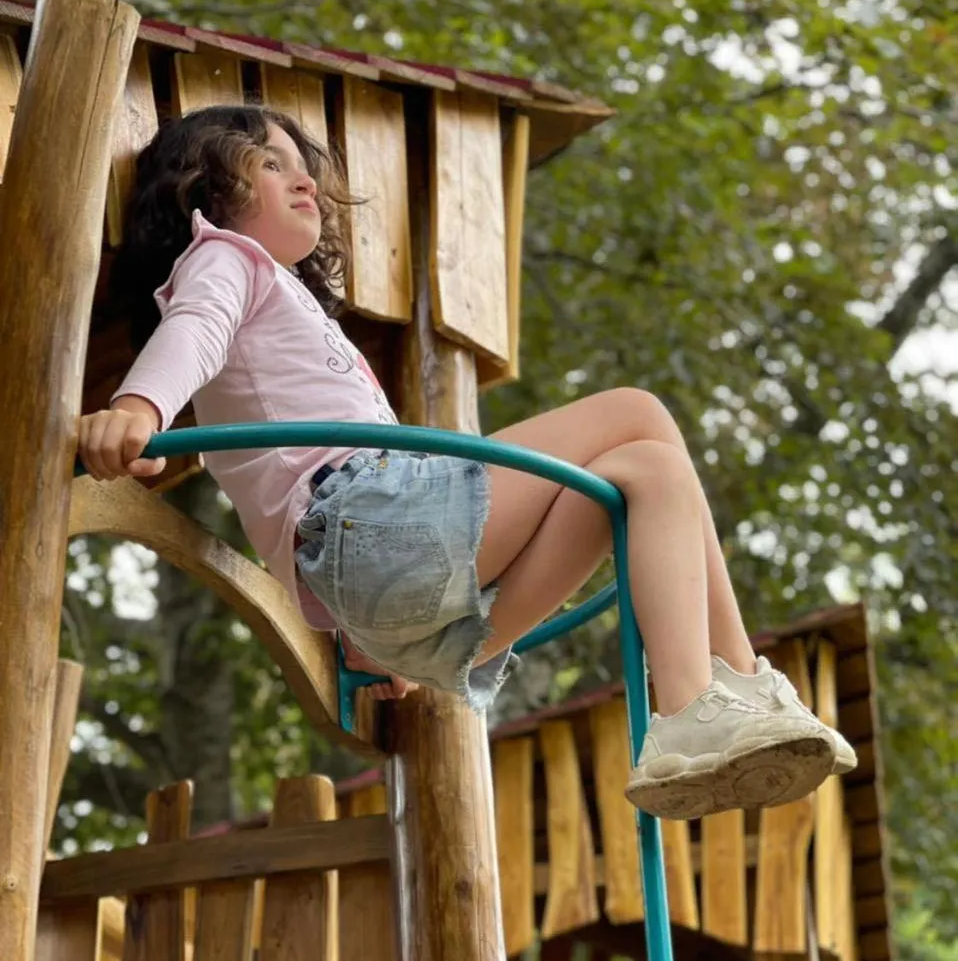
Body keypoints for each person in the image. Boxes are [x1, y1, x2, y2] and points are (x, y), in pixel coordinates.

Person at [78, 105, 855, 821]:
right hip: (369, 530)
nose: (304, 178)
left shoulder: (287, 302)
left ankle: (726, 697)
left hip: (396, 608)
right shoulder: (228, 260)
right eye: (269, 164)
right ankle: (711, 697)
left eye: (301, 163)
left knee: (646, 471)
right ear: (203, 192)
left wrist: (364, 632)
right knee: (639, 412)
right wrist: (140, 409)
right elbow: (195, 329)